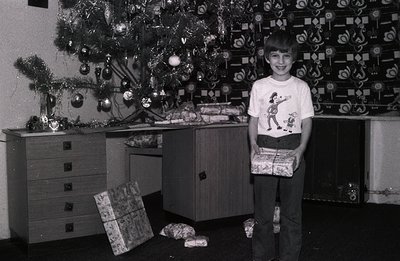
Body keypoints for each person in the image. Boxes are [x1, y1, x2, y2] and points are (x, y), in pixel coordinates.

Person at [248, 29, 314, 261]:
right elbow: (254, 119)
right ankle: (263, 257)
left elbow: (306, 122)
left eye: (286, 56)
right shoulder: (259, 87)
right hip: (265, 146)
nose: (281, 62)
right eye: (275, 56)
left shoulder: (301, 87)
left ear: (293, 58)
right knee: (263, 213)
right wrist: (253, 144)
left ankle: (289, 257)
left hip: (292, 146)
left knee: (292, 212)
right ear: (267, 58)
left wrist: (301, 149)